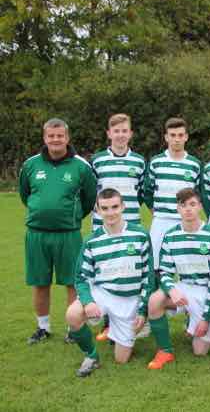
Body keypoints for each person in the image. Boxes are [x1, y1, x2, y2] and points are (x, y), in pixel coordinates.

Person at [19, 118, 97, 344]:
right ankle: (43, 327)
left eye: (60, 135)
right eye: (51, 136)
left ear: (67, 137)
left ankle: (73, 329)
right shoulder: (31, 165)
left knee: (72, 282)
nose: (56, 139)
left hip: (68, 234)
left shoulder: (81, 166)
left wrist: (71, 216)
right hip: (37, 233)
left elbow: (89, 198)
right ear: (45, 138)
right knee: (40, 282)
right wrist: (41, 211)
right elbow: (25, 194)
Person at [65, 188, 152, 377]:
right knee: (73, 314)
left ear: (123, 207)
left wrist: (142, 310)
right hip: (102, 293)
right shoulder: (91, 240)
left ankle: (119, 328)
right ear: (97, 210)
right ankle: (91, 356)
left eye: (115, 207)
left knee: (121, 359)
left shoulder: (140, 235)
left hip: (129, 300)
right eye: (105, 208)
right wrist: (88, 302)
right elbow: (81, 277)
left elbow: (148, 276)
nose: (110, 212)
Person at [146, 188, 210, 370]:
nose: (188, 209)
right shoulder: (171, 235)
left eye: (192, 204)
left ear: (200, 207)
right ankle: (165, 350)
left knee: (199, 351)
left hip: (206, 290)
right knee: (155, 300)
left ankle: (198, 321)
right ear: (178, 209)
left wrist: (206, 318)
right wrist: (172, 290)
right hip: (184, 286)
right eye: (183, 205)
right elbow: (164, 271)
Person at [90, 113, 146, 342]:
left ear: (130, 134)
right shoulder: (97, 160)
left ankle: (134, 320)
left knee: (130, 273)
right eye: (116, 131)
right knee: (105, 273)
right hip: (103, 227)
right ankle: (107, 324)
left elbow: (141, 194)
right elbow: (91, 192)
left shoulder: (139, 161)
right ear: (109, 134)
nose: (120, 135)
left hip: (130, 227)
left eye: (124, 131)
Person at [144, 117, 203, 271]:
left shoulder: (194, 164)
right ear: (166, 137)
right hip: (161, 220)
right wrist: (156, 211)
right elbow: (147, 191)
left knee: (189, 267)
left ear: (186, 137)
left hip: (186, 221)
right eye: (173, 135)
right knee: (156, 266)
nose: (177, 139)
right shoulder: (156, 162)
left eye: (180, 135)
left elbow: (199, 193)